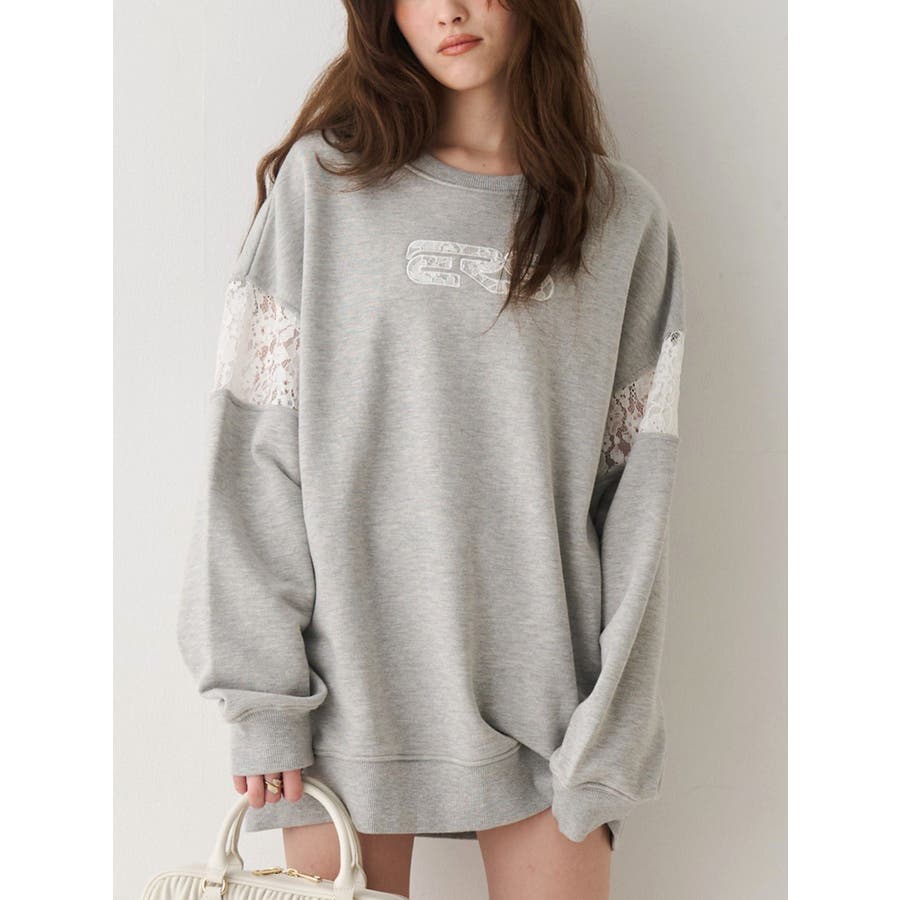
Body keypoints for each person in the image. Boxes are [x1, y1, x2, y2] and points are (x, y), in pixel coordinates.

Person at [176, 1, 687, 897]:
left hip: (549, 719)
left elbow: (639, 506)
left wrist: (610, 737)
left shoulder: (622, 223)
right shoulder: (323, 187)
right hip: (342, 710)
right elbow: (254, 452)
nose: (448, 10)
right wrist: (262, 703)